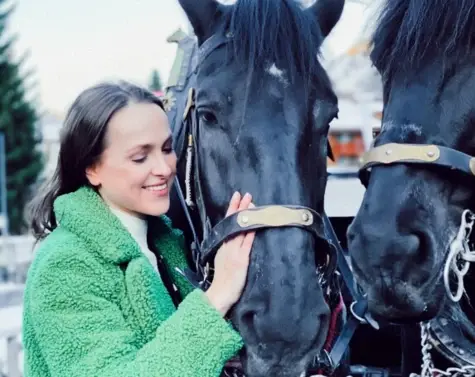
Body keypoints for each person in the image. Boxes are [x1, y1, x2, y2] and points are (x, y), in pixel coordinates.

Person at [23, 81, 256, 377]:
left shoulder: (166, 246)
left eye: (168, 149)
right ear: (91, 168)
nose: (164, 168)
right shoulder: (64, 267)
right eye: (140, 157)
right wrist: (219, 293)